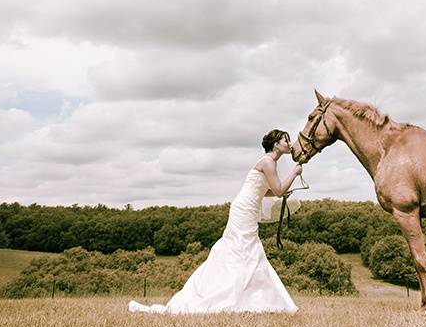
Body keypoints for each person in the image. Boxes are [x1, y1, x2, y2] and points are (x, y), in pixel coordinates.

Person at [129, 129, 304, 314]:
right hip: (243, 210)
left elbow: (265, 189)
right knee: (241, 250)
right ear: (276, 144)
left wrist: (283, 190)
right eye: (286, 140)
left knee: (246, 251)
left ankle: (246, 298)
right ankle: (228, 295)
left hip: (248, 210)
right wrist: (294, 172)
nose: (289, 143)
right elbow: (276, 190)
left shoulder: (270, 163)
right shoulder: (268, 162)